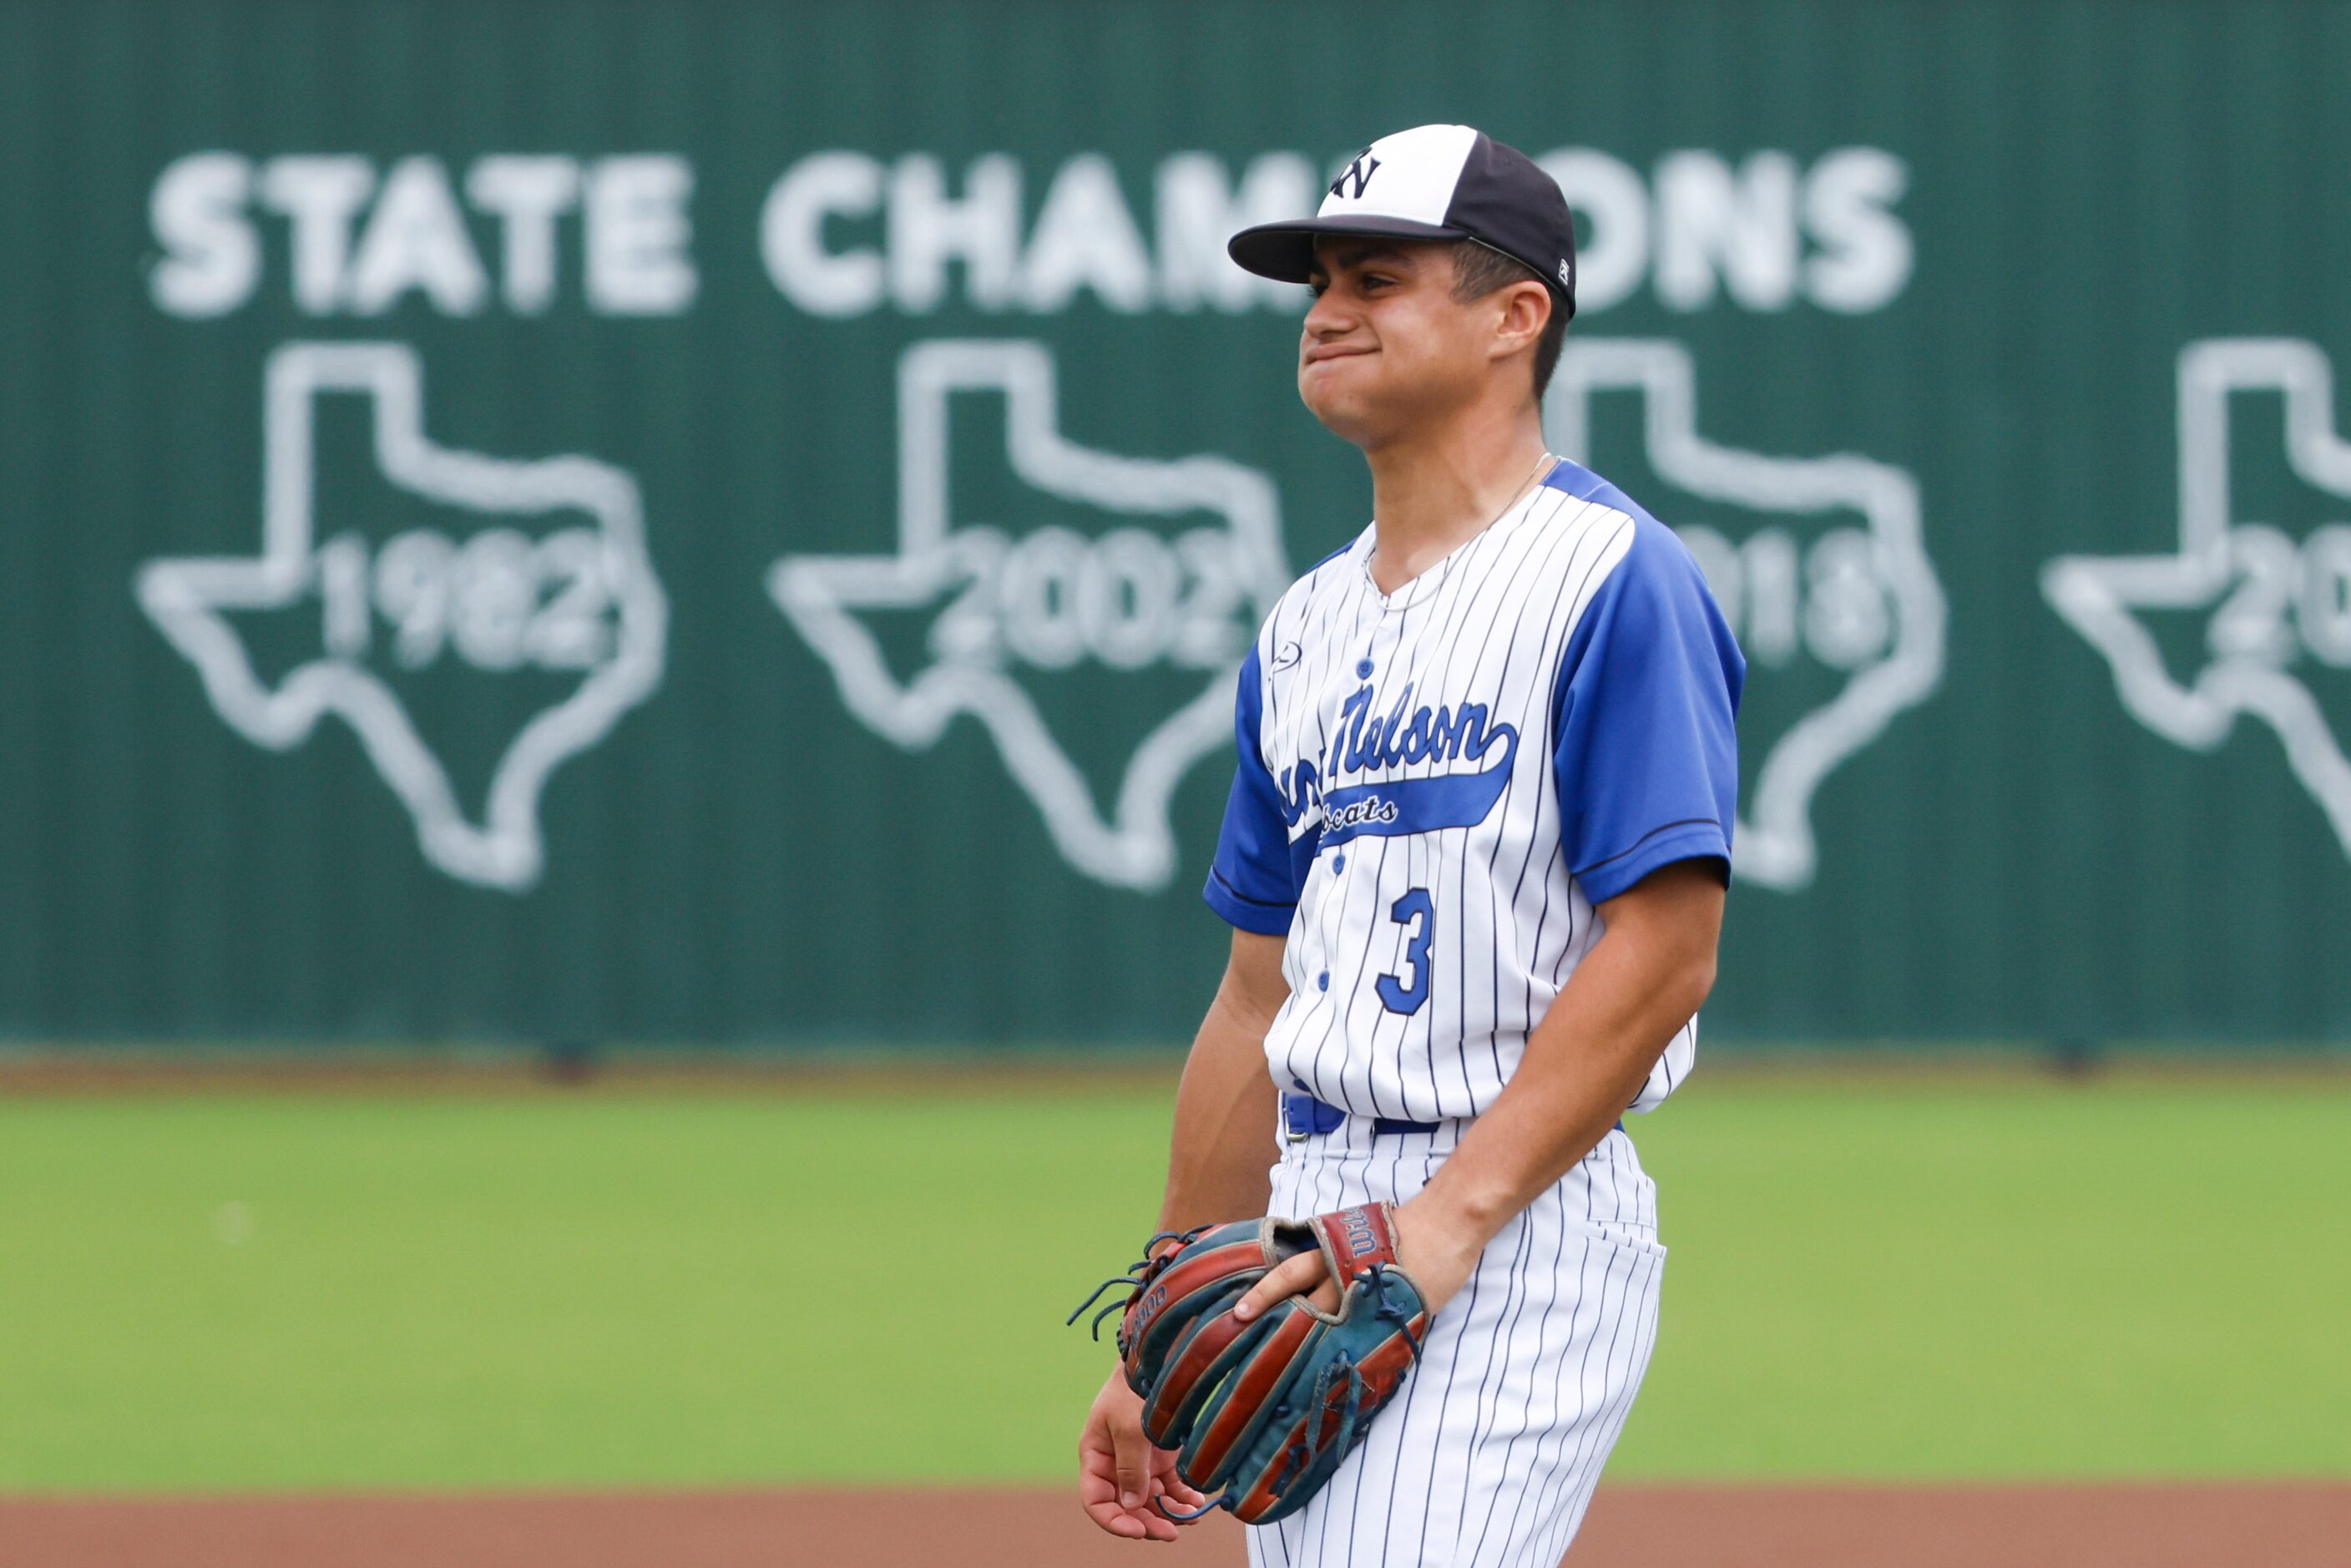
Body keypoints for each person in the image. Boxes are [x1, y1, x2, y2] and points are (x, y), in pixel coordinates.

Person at [1078, 123, 1746, 1566]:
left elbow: (1668, 948)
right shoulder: (1305, 628)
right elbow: (1259, 995)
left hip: (1510, 1217)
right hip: (1307, 1227)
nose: (1327, 311)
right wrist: (1162, 1316)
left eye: (1379, 277)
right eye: (1318, 280)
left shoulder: (1612, 579)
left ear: (1519, 316)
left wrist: (1445, 1223)